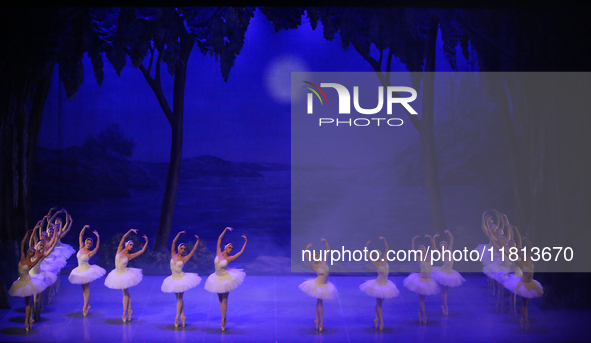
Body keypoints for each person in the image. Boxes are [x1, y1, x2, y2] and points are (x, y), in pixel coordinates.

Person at [9, 230, 57, 331]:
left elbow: (43, 253)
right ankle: (30, 317)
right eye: (30, 251)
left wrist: (49, 242)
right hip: (21, 281)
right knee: (28, 301)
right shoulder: (22, 258)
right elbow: (22, 244)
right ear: (28, 252)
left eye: (33, 252)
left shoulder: (33, 262)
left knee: (31, 301)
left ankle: (28, 319)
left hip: (30, 280)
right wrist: (27, 234)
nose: (32, 252)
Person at [204, 227, 247, 332]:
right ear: (226, 247)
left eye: (232, 248)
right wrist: (225, 229)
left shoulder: (229, 258)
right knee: (220, 300)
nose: (231, 249)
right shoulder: (218, 252)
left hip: (226, 279)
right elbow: (219, 238)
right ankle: (224, 319)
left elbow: (240, 252)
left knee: (224, 300)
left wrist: (245, 241)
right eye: (229, 247)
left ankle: (223, 320)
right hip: (216, 279)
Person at [104, 229, 148, 322]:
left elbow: (142, 251)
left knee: (125, 293)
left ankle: (124, 312)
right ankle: (129, 310)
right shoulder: (119, 250)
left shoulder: (129, 256)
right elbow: (123, 237)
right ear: (126, 245)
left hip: (125, 274)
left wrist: (147, 241)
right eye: (130, 244)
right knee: (126, 293)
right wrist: (130, 230)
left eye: (132, 245)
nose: (131, 247)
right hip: (117, 273)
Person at [161, 230, 202, 327]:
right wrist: (178, 234)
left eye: (184, 249)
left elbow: (192, 251)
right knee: (178, 299)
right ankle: (183, 316)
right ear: (179, 248)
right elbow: (173, 242)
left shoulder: (184, 258)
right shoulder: (173, 254)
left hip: (181, 279)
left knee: (180, 299)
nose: (183, 250)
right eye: (182, 248)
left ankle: (176, 318)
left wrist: (197, 241)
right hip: (173, 279)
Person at [359, 237, 399, 330]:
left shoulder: (384, 260)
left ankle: (376, 318)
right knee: (379, 304)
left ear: (380, 254)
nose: (375, 255)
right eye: (374, 254)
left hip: (385, 285)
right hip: (378, 285)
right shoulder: (376, 263)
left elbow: (387, 248)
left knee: (379, 303)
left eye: (376, 253)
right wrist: (366, 246)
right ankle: (381, 320)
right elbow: (368, 256)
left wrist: (384, 239)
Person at [299, 238, 339, 332]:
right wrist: (307, 249)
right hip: (318, 285)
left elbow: (328, 251)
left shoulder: (324, 261)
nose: (315, 257)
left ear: (318, 255)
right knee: (320, 303)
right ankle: (321, 321)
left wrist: (325, 242)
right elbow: (307, 259)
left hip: (324, 285)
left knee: (319, 302)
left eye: (316, 255)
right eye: (313, 256)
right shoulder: (314, 265)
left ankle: (317, 320)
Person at [68, 225, 105, 316]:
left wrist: (98, 237)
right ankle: (87, 305)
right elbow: (80, 235)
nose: (88, 244)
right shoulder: (81, 248)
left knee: (87, 289)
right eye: (87, 243)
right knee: (83, 289)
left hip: (87, 271)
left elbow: (97, 248)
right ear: (85, 243)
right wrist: (84, 227)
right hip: (79, 271)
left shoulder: (90, 252)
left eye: (90, 244)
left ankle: (85, 306)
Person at [403, 234, 440, 324]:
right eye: (420, 249)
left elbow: (433, 247)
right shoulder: (419, 258)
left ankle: (420, 313)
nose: (421, 250)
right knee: (422, 299)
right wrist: (413, 240)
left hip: (428, 281)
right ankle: (424, 314)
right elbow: (412, 250)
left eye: (422, 248)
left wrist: (432, 238)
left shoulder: (429, 257)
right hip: (420, 280)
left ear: (425, 250)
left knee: (422, 299)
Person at [431, 230, 465, 315]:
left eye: (444, 243)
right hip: (443, 273)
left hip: (450, 273)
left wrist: (449, 232)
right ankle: (445, 305)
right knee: (444, 290)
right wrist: (433, 238)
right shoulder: (441, 253)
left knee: (447, 290)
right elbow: (434, 248)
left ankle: (444, 304)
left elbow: (452, 238)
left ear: (446, 245)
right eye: (441, 244)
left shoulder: (450, 250)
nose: (443, 244)